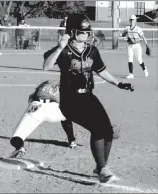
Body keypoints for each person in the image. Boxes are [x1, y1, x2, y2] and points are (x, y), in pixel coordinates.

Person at [43, 13, 134, 183]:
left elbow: (101, 71)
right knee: (98, 129)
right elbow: (46, 66)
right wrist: (59, 47)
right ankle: (103, 169)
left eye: (87, 32)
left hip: (88, 96)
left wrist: (119, 83)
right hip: (70, 100)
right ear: (72, 32)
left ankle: (101, 167)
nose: (87, 35)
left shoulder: (92, 50)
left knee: (108, 131)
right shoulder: (64, 50)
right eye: (82, 32)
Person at [9, 80, 77, 158]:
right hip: (53, 109)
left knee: (16, 137)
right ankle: (72, 141)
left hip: (36, 107)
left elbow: (30, 99)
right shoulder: (62, 87)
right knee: (65, 117)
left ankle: (20, 147)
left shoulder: (36, 92)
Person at [118, 14, 149, 79]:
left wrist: (147, 45)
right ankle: (131, 74)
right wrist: (120, 34)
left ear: (135, 21)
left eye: (133, 20)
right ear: (129, 20)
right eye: (131, 20)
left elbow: (143, 37)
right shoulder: (127, 28)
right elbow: (123, 35)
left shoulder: (138, 29)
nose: (132, 21)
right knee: (130, 58)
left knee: (139, 60)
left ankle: (144, 69)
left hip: (137, 46)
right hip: (130, 45)